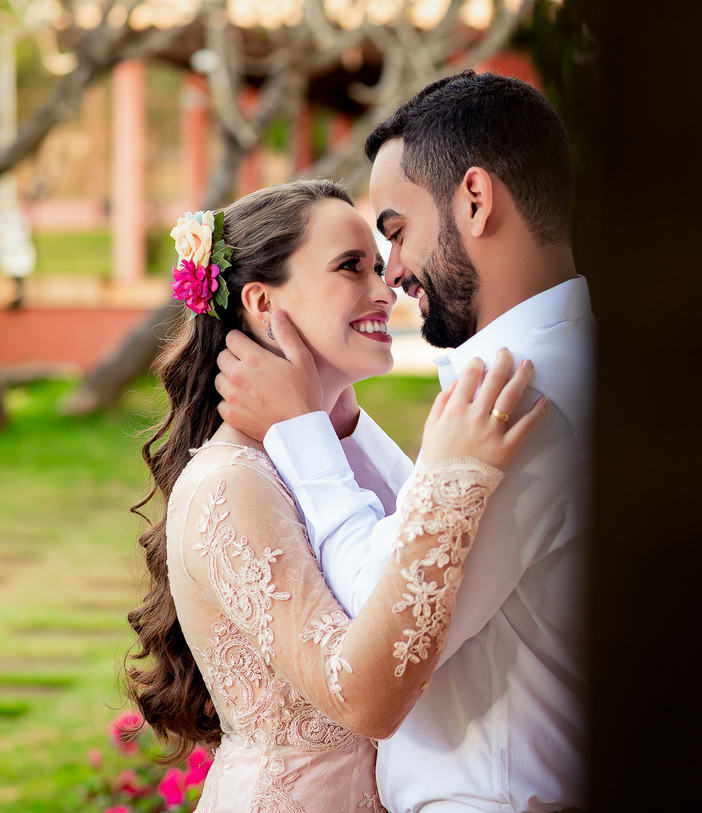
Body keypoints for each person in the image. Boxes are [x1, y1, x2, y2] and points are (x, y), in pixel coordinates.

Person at [214, 71, 593, 811]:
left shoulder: (528, 396)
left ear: (475, 202)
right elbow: (423, 530)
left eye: (393, 231)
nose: (391, 274)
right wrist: (344, 427)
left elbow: (382, 612)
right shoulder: (556, 364)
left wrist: (302, 433)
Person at [124, 178, 546, 812]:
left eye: (378, 265)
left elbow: (393, 572)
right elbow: (362, 696)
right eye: (352, 267)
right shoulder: (229, 483)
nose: (385, 288)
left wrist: (330, 422)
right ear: (263, 302)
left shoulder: (332, 450)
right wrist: (459, 482)